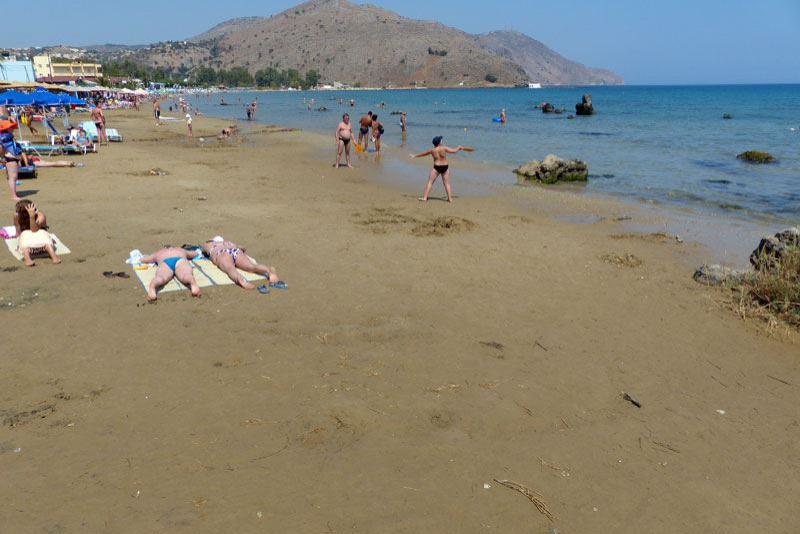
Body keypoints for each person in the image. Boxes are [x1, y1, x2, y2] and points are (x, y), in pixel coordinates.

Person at [201, 237, 281, 290]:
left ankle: (241, 280)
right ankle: (268, 270)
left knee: (230, 269)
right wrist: (234, 246)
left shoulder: (209, 245)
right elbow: (243, 248)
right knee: (251, 266)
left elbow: (201, 250)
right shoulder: (228, 243)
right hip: (234, 250)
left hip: (221, 253)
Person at [410, 136, 466, 203]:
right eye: (441, 140)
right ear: (439, 142)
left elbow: (423, 154)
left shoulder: (432, 150)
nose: (441, 140)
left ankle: (425, 197)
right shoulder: (444, 148)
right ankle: (450, 199)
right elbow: (453, 151)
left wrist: (414, 156)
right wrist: (458, 147)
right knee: (446, 183)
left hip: (437, 167)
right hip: (445, 167)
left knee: (430, 182)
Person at [14, 200, 60, 267]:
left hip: (39, 235)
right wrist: (19, 239)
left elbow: (34, 230)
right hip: (28, 238)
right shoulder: (17, 216)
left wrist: (32, 217)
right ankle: (28, 259)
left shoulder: (40, 215)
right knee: (24, 235)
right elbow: (18, 230)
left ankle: (54, 257)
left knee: (42, 236)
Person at [1, 121, 22, 202]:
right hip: (10, 158)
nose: (13, 128)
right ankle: (13, 195)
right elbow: (1, 147)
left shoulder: (7, 136)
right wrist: (2, 158)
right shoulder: (5, 137)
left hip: (11, 158)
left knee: (13, 177)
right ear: (7, 128)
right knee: (13, 177)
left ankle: (14, 194)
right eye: (11, 127)